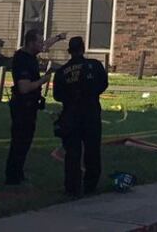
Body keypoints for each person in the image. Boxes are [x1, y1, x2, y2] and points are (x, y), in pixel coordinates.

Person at [4, 29, 64, 186]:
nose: (42, 45)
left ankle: (19, 174)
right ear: (30, 43)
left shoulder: (31, 55)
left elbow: (45, 46)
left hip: (30, 106)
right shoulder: (22, 59)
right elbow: (24, 88)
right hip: (22, 106)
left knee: (26, 141)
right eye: (39, 41)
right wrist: (43, 80)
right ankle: (13, 177)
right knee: (20, 141)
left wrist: (58, 38)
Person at [52, 35, 109, 197]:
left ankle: (72, 187)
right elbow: (103, 84)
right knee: (92, 150)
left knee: (72, 151)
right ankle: (91, 184)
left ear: (69, 51)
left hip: (70, 114)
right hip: (91, 112)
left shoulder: (62, 72)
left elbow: (57, 95)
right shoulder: (95, 65)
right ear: (83, 49)